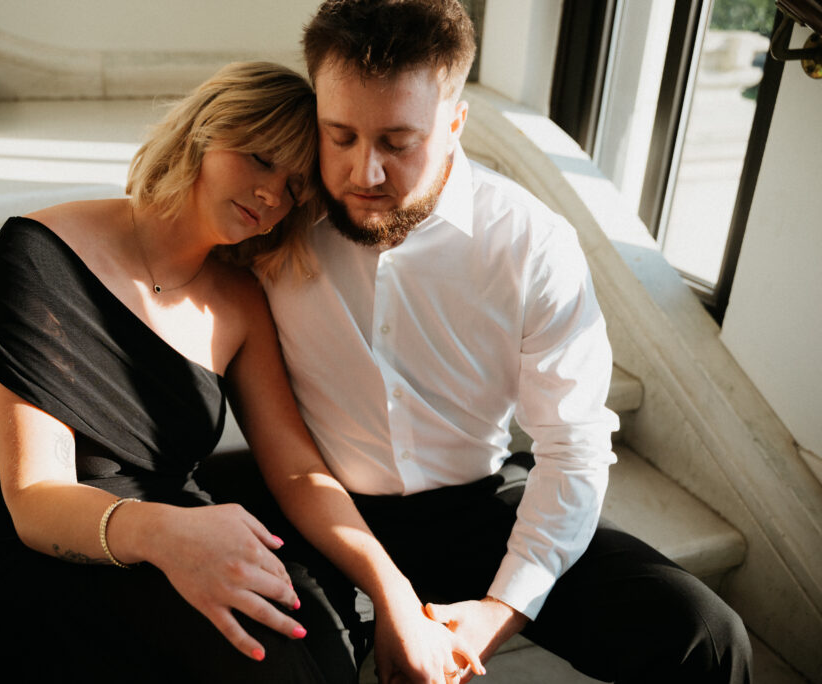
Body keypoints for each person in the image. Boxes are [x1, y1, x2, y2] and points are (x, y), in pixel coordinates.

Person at [254, 1, 753, 683]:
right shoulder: (276, 217)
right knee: (276, 661)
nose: (364, 172)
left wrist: (499, 611)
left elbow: (573, 446)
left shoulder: (532, 243)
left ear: (455, 124)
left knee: (705, 636)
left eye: (398, 143)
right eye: (340, 136)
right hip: (321, 506)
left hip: (474, 502)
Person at [0, 61, 459, 683]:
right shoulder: (41, 250)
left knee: (325, 647)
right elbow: (34, 501)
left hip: (186, 523)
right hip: (56, 560)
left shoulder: (241, 299)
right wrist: (171, 537)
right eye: (260, 159)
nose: (272, 196)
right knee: (270, 666)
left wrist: (393, 592)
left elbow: (295, 469)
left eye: (295, 187)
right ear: (203, 132)